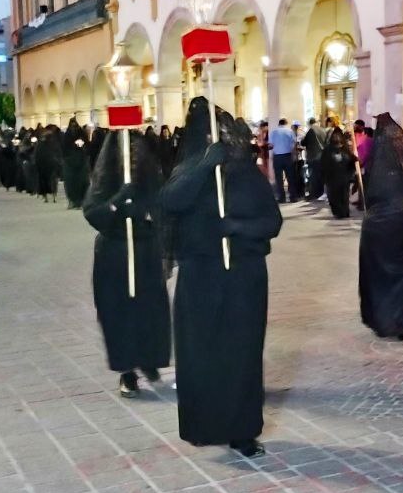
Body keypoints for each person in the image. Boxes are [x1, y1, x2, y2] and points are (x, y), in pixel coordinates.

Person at [162, 98, 283, 458]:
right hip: (201, 278)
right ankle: (206, 424)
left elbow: (272, 222)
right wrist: (203, 167)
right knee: (203, 355)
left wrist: (236, 227)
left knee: (242, 354)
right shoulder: (189, 171)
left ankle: (243, 431)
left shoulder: (246, 175)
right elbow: (169, 201)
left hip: (244, 278)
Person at [83, 128, 171, 397]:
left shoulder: (149, 180)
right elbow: (93, 212)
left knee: (149, 310)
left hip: (144, 252)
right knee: (119, 313)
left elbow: (163, 209)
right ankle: (127, 370)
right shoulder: (106, 181)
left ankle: (148, 359)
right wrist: (118, 201)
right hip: (115, 254)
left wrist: (146, 214)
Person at [359, 114, 403, 342]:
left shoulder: (377, 162)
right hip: (400, 224)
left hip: (376, 227)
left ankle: (382, 322)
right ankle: (401, 324)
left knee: (380, 279)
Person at [320, 128, 357, 218]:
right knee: (333, 196)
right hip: (332, 178)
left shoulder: (345, 148)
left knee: (344, 195)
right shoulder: (328, 149)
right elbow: (323, 163)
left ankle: (344, 211)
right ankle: (338, 212)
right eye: (335, 135)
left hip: (344, 177)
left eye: (339, 135)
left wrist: (354, 159)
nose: (337, 137)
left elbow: (352, 160)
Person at [61, 120, 91, 209]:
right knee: (71, 183)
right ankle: (73, 201)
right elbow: (64, 148)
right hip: (70, 163)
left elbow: (88, 146)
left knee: (82, 182)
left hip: (81, 162)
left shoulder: (81, 134)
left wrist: (82, 147)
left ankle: (81, 201)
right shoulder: (67, 136)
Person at [268, 118, 297, 203]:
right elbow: (294, 143)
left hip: (277, 157)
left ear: (279, 124)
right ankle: (293, 197)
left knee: (279, 178)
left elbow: (270, 145)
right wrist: (293, 154)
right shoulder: (290, 131)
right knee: (290, 177)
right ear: (286, 123)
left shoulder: (273, 132)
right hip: (288, 156)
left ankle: (282, 197)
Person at [35, 125, 62, 202]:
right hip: (44, 165)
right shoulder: (42, 142)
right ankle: (49, 196)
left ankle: (51, 196)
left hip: (50, 164)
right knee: (46, 181)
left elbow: (57, 152)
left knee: (51, 180)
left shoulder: (53, 141)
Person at [302, 117, 326, 200]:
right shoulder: (323, 130)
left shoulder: (311, 130)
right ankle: (320, 193)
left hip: (313, 157)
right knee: (320, 176)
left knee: (313, 176)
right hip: (322, 156)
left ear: (309, 123)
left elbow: (304, 142)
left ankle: (313, 194)